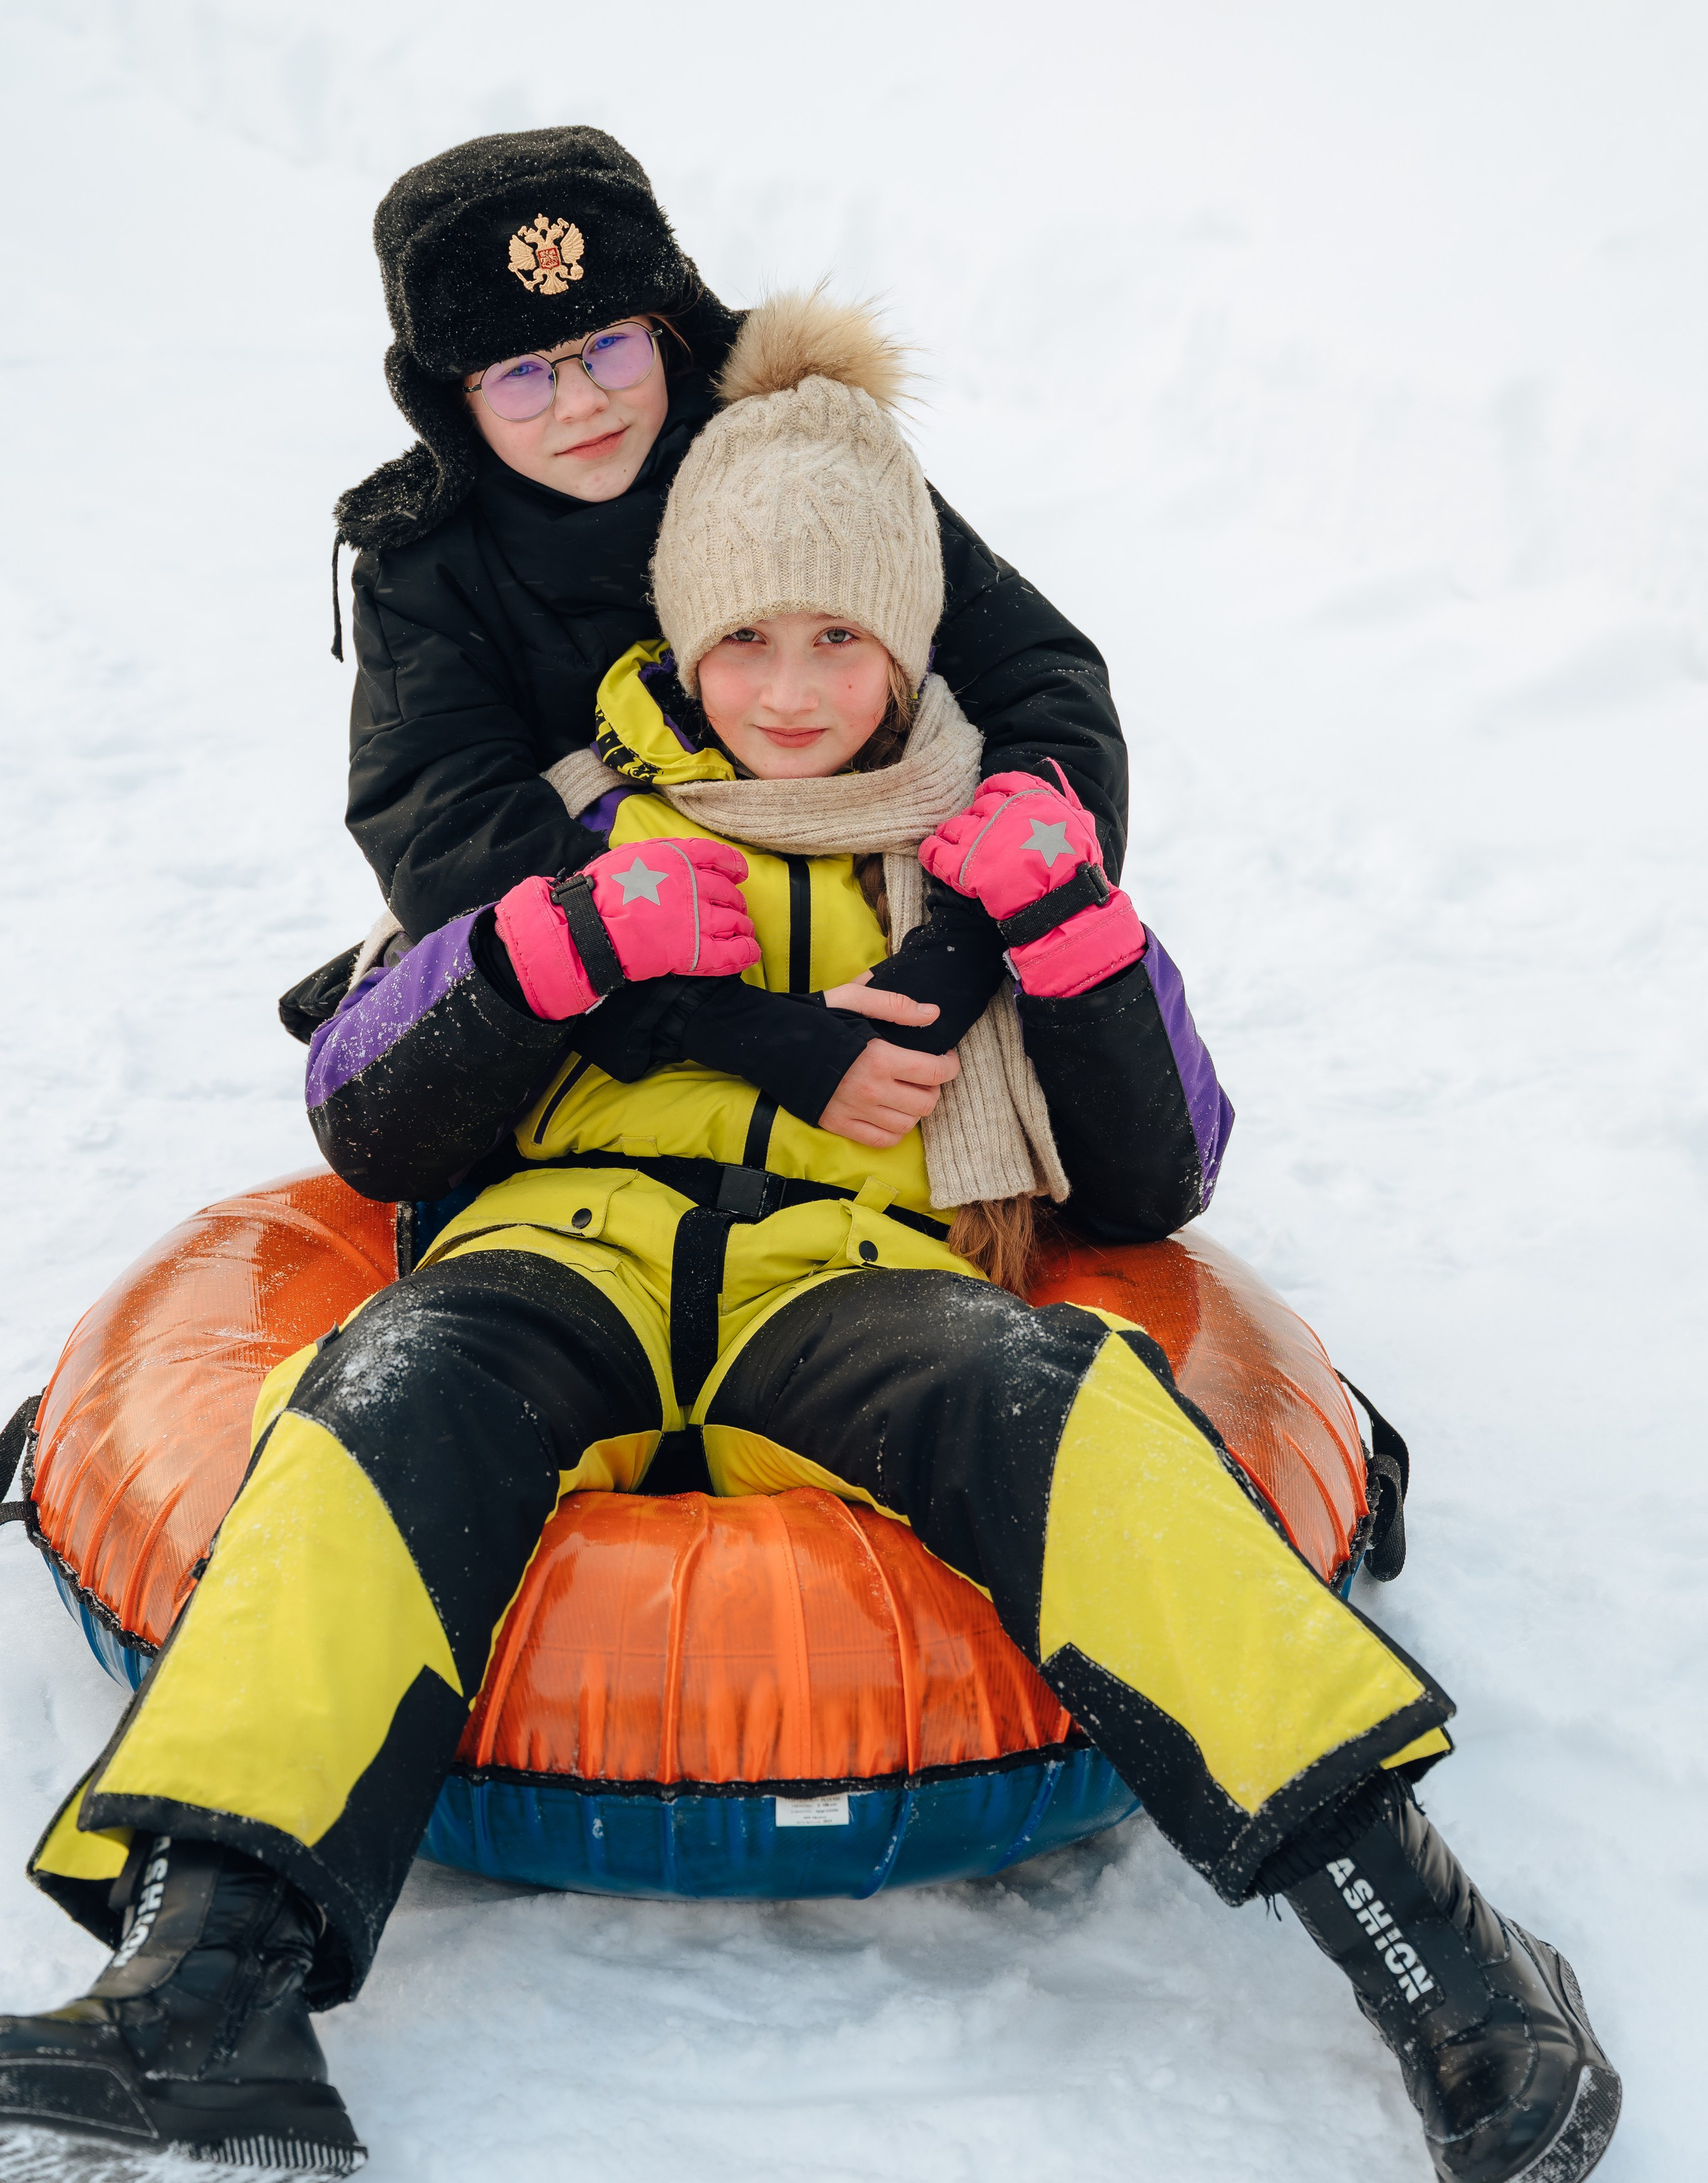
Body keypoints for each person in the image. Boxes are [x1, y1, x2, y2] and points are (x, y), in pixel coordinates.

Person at [1, 302, 1618, 2183]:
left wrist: (1074, 938)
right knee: (380, 1399)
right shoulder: (565, 830)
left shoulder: (983, 848)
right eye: (745, 639)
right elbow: (366, 1113)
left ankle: (1442, 1955)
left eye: (839, 637)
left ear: (910, 643)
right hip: (555, 1254)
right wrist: (553, 953)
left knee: (1063, 1400)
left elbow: (1153, 1186)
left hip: (849, 1280)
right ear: (682, 640)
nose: (787, 688)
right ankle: (204, 1990)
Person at [282, 123, 1130, 1045]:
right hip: (631, 951)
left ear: (668, 328)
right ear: (450, 401)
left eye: (611, 346)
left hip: (878, 907)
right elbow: (444, 831)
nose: (580, 403)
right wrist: (730, 1026)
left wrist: (971, 944)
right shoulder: (425, 567)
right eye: (520, 375)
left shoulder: (799, 448)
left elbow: (1042, 679)